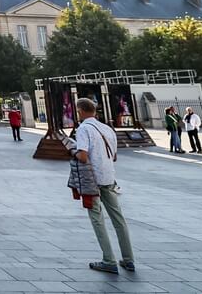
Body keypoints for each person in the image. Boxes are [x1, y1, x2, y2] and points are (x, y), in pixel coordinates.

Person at [71, 97, 134, 274]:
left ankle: (109, 259)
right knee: (118, 218)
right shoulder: (107, 128)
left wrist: (73, 152)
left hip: (92, 180)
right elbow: (114, 156)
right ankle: (128, 259)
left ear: (81, 111)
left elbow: (83, 156)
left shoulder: (84, 128)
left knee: (97, 219)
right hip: (108, 176)